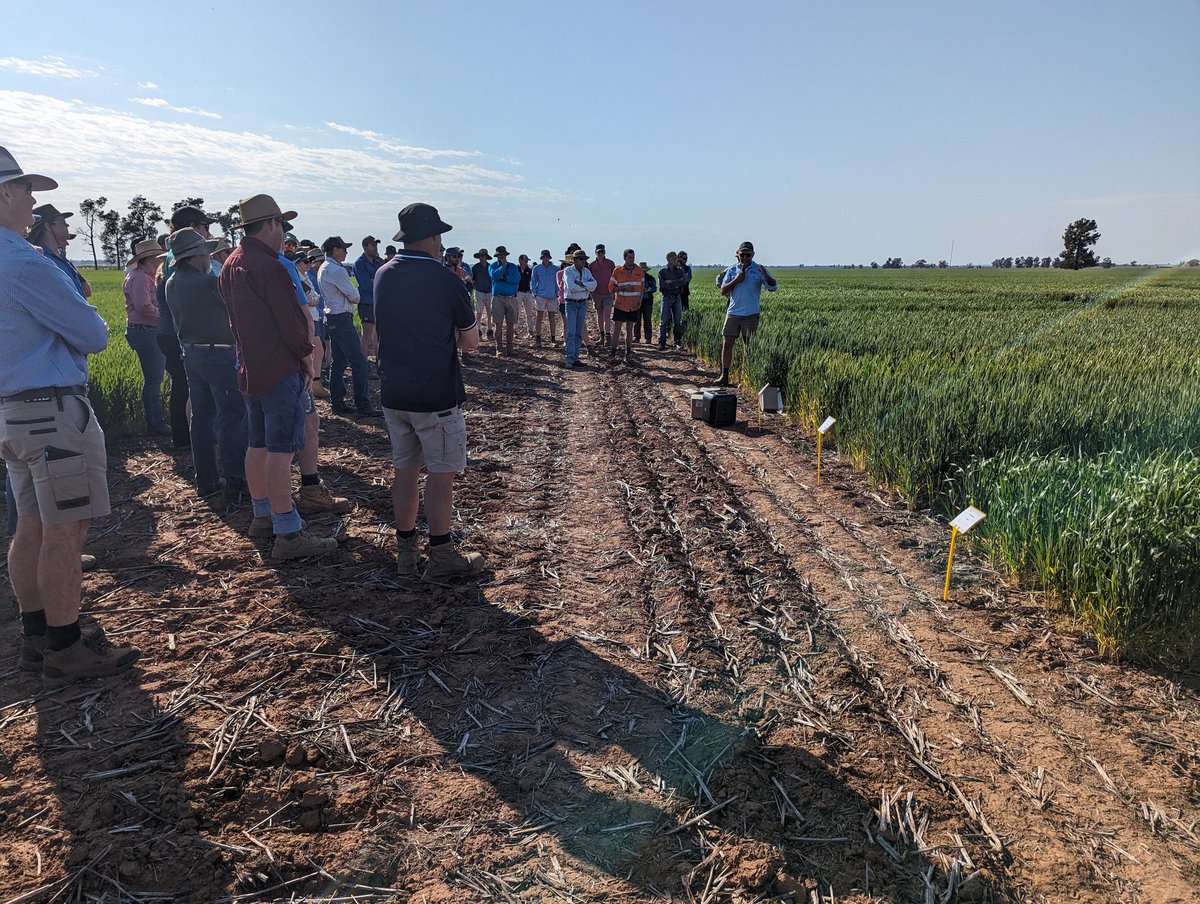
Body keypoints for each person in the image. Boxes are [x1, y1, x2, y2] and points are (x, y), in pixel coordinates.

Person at [0, 146, 139, 685]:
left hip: (13, 417)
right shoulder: (24, 262)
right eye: (27, 190)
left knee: (31, 524)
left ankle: (37, 636)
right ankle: (64, 645)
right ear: (4, 193)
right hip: (50, 412)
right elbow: (94, 334)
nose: (34, 202)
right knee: (65, 528)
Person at [217, 193, 337, 560]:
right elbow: (291, 325)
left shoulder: (230, 264)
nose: (284, 231)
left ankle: (263, 516)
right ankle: (288, 533)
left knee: (259, 444)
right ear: (270, 224)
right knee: (283, 451)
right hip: (280, 368)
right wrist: (307, 360)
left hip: (249, 369)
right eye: (282, 224)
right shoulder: (269, 267)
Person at [374, 203, 484, 579]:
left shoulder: (382, 274)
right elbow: (471, 342)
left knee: (404, 471)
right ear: (435, 237)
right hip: (435, 394)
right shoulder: (446, 280)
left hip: (394, 392)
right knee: (441, 474)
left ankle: (406, 553)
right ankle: (441, 555)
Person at [163, 228, 249, 499]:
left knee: (201, 417)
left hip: (191, 353)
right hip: (219, 355)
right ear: (197, 256)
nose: (208, 258)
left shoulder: (172, 282)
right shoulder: (206, 282)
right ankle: (235, 477)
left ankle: (207, 478)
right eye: (206, 253)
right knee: (231, 415)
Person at [156, 205, 221, 450]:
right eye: (206, 226)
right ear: (193, 227)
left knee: (185, 388)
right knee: (192, 392)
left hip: (176, 333)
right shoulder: (183, 259)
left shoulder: (173, 256)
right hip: (184, 335)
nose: (208, 231)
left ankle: (186, 441)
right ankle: (191, 441)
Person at [319, 236, 380, 417]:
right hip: (341, 319)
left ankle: (337, 402)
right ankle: (363, 404)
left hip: (332, 319)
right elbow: (355, 297)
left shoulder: (324, 267)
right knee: (359, 362)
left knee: (338, 362)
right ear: (336, 249)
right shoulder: (337, 270)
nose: (346, 252)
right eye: (344, 248)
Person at [715, 241, 777, 386]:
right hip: (733, 313)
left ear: (753, 255)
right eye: (742, 254)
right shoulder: (732, 270)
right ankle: (724, 375)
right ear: (738, 254)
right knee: (727, 344)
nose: (744, 258)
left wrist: (766, 277)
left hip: (751, 314)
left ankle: (746, 378)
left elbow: (773, 287)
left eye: (748, 255)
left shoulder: (759, 269)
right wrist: (736, 280)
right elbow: (723, 291)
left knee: (748, 347)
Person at [124, 238, 169, 436]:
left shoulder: (143, 275)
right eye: (158, 257)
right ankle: (155, 423)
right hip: (146, 330)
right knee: (154, 379)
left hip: (145, 329)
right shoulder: (141, 278)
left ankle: (156, 420)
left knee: (154, 378)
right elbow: (144, 307)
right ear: (151, 258)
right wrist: (168, 317)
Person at [28, 203, 90, 298]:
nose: (67, 224)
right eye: (61, 220)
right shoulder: (40, 259)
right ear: (47, 226)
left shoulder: (61, 258)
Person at [562, 248, 596, 368]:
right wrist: (586, 287)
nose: (583, 261)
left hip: (582, 303)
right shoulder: (568, 271)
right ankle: (569, 359)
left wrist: (583, 285)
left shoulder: (587, 272)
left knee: (578, 332)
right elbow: (571, 287)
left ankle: (575, 357)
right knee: (571, 332)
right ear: (575, 260)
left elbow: (594, 285)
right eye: (581, 259)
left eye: (584, 259)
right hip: (571, 303)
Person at [353, 235, 384, 367]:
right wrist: (377, 281)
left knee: (378, 333)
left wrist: (375, 280)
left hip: (378, 301)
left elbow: (383, 279)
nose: (375, 247)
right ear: (365, 246)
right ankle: (363, 362)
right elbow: (366, 284)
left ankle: (379, 361)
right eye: (373, 245)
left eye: (376, 245)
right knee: (366, 333)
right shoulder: (359, 263)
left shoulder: (379, 262)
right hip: (366, 302)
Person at [609, 249, 644, 360]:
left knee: (630, 328)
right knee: (617, 329)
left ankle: (628, 353)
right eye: (629, 257)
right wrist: (623, 288)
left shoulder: (639, 271)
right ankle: (613, 353)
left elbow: (642, 289)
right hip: (620, 304)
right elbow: (611, 288)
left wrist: (640, 302)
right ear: (625, 258)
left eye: (633, 257)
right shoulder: (617, 271)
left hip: (634, 305)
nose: (631, 260)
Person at [488, 245, 520, 356]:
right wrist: (503, 268)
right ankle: (499, 347)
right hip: (498, 298)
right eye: (500, 256)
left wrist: (505, 278)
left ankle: (510, 347)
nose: (502, 257)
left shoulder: (513, 267)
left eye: (503, 255)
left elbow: (516, 279)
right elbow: (494, 277)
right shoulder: (492, 266)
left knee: (511, 324)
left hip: (511, 298)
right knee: (498, 324)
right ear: (497, 256)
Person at [530, 249, 560, 348]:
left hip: (552, 296)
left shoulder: (555, 268)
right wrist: (534, 293)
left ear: (549, 257)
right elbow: (533, 281)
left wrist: (557, 293)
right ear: (542, 258)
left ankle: (553, 339)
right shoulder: (536, 268)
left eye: (547, 257)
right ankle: (538, 339)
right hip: (540, 295)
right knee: (539, 317)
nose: (545, 258)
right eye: (544, 257)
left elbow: (557, 282)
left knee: (552, 318)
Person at [658, 251, 687, 351]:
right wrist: (676, 284)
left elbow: (683, 282)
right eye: (674, 258)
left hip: (677, 297)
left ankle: (677, 341)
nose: (676, 260)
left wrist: (671, 282)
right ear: (668, 259)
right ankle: (662, 342)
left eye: (676, 258)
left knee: (677, 321)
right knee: (664, 321)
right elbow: (662, 286)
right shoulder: (662, 272)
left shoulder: (680, 271)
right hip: (666, 297)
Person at [588, 244, 616, 349]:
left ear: (605, 252)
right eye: (598, 252)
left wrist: (614, 291)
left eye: (602, 252)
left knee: (607, 315)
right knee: (599, 314)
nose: (600, 254)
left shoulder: (610, 263)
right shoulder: (592, 265)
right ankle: (602, 336)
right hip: (596, 293)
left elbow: (614, 277)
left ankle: (608, 337)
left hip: (608, 292)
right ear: (595, 253)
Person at [470, 248, 493, 340]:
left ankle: (490, 332)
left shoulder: (490, 267)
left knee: (490, 313)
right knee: (478, 313)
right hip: (479, 292)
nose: (481, 257)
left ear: (486, 257)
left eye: (482, 256)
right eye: (480, 256)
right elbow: (472, 279)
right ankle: (478, 333)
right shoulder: (475, 268)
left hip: (489, 292)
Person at [635, 260, 656, 344]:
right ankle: (636, 337)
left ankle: (648, 338)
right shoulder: (635, 278)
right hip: (637, 300)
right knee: (637, 319)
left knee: (647, 319)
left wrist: (647, 289)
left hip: (647, 301)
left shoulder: (650, 278)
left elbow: (655, 288)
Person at [515, 253, 535, 339]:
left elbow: (532, 281)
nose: (526, 262)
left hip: (527, 293)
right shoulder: (516, 269)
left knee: (529, 313)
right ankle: (515, 330)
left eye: (527, 261)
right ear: (520, 261)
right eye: (525, 261)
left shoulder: (529, 270)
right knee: (516, 312)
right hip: (518, 293)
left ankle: (530, 331)